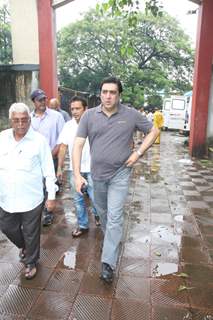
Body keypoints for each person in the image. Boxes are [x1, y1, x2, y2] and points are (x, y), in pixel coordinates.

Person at [72, 76, 159, 283]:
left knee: (115, 216)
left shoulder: (130, 115)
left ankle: (108, 263)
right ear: (100, 93)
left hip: (121, 173)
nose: (108, 96)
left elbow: (154, 131)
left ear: (119, 95)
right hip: (96, 175)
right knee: (103, 214)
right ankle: (112, 240)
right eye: (104, 92)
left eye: (112, 92)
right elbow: (77, 145)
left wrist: (137, 153)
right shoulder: (89, 116)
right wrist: (76, 175)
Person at [0, 103, 58, 279]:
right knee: (8, 227)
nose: (20, 124)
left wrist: (51, 196)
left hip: (31, 198)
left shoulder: (39, 141)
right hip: (6, 197)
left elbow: (49, 170)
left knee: (31, 232)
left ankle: (31, 261)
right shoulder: (2, 138)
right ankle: (25, 247)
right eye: (16, 120)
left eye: (24, 120)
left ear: (29, 120)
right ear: (11, 120)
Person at [57, 96, 100, 237]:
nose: (74, 111)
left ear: (85, 109)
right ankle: (83, 225)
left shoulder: (94, 124)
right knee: (78, 199)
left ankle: (99, 215)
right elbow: (63, 147)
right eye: (72, 109)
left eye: (78, 108)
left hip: (94, 169)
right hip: (75, 170)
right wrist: (59, 168)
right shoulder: (68, 126)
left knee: (96, 197)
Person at [30, 89, 65, 226]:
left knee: (49, 184)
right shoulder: (28, 117)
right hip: (33, 159)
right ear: (33, 102)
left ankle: (48, 212)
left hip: (52, 156)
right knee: (36, 185)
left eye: (44, 99)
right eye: (40, 100)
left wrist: (52, 154)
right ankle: (36, 210)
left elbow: (62, 139)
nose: (43, 102)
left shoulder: (56, 116)